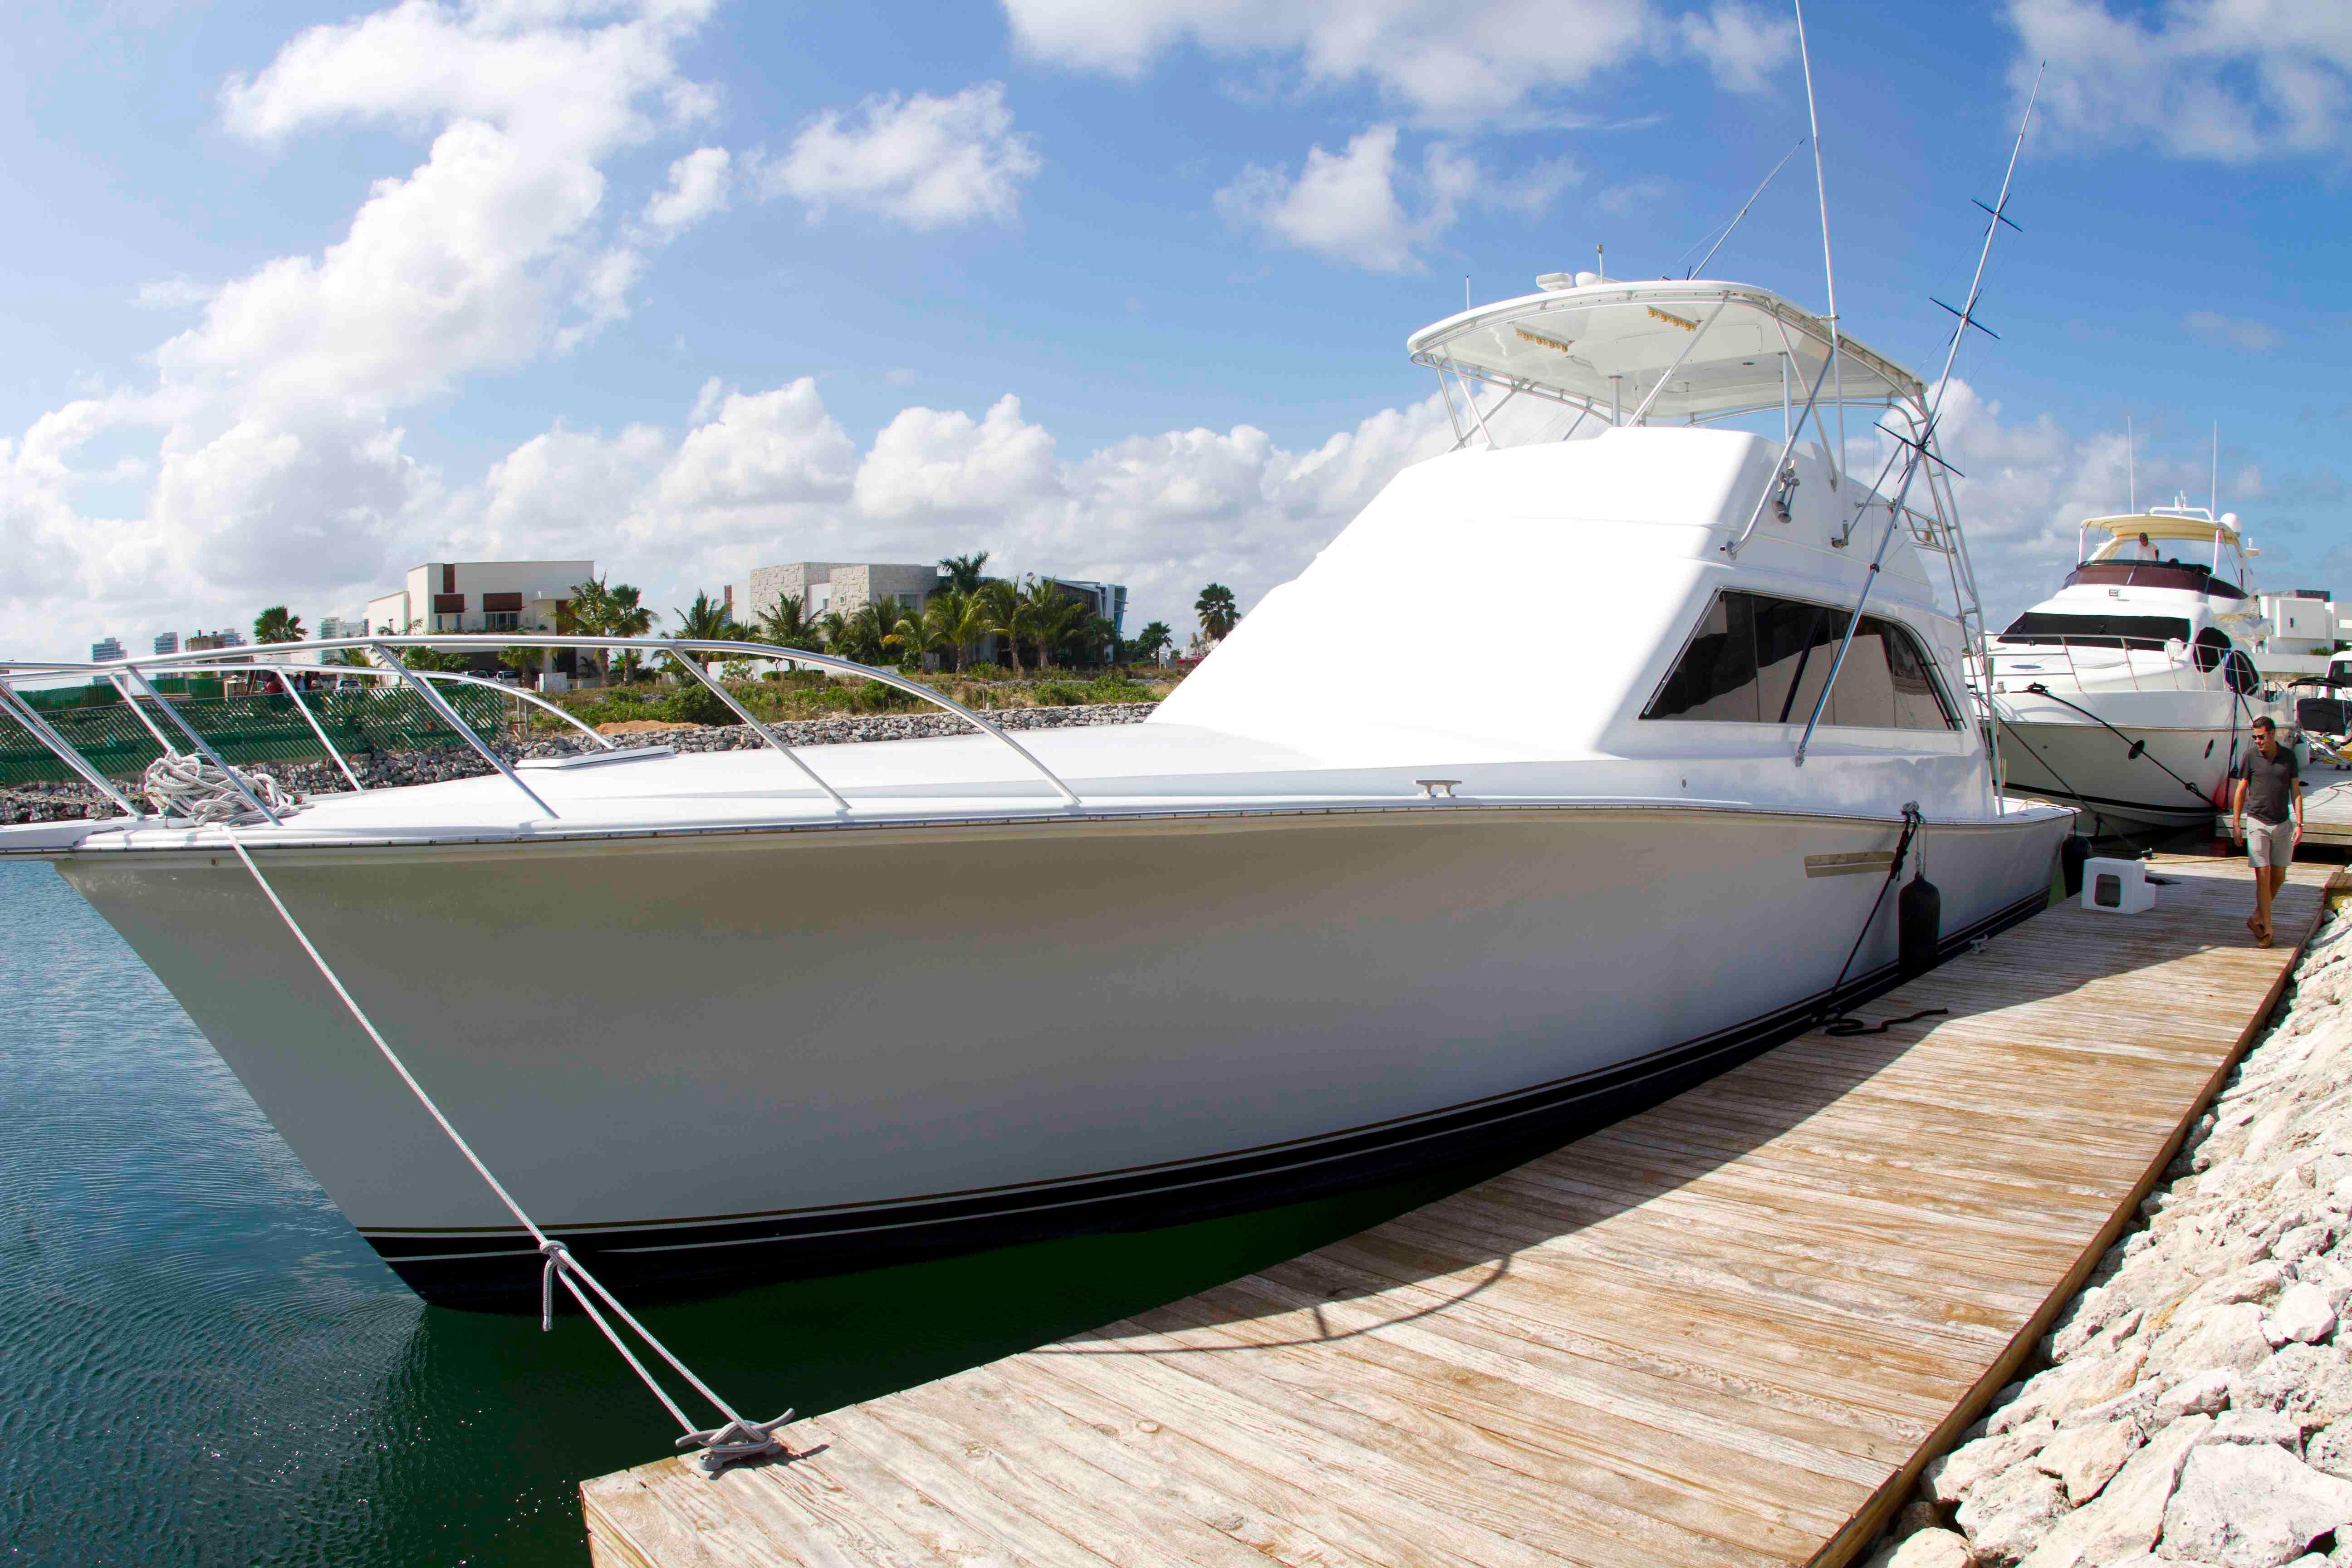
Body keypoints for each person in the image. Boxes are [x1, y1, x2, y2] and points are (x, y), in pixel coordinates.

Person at [2230, 716, 2303, 947]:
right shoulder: (2250, 757)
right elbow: (2241, 790)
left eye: (2261, 736)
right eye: (2255, 737)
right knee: (2264, 873)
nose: (2257, 741)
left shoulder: (2288, 757)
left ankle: (2256, 917)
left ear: (2272, 734)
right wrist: (2236, 822)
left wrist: (2300, 823)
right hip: (2257, 822)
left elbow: (2296, 791)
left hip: (2283, 823)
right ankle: (2268, 930)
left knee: (2279, 876)